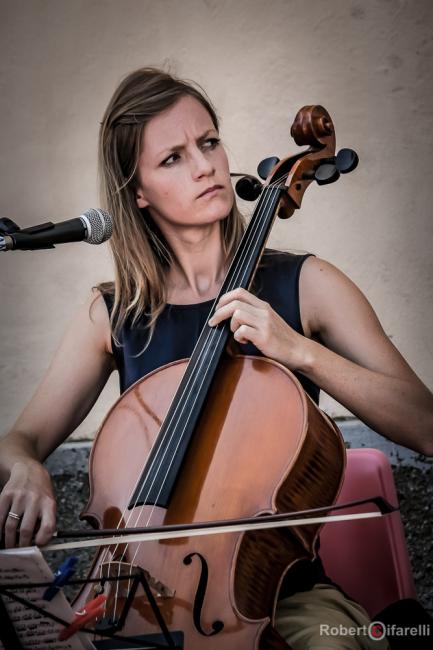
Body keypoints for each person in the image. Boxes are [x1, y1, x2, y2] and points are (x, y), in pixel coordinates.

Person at [0, 67, 432, 649]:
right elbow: (18, 440)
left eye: (208, 142)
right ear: (138, 192)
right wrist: (26, 465)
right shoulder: (114, 315)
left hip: (280, 602)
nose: (205, 165)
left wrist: (300, 351)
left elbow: (425, 425)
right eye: (173, 158)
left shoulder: (308, 284)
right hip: (129, 598)